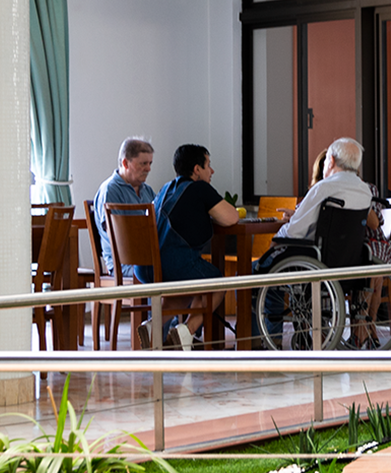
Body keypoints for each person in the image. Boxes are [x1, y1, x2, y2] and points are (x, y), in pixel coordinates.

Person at [141, 143, 239, 347]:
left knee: (186, 287)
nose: (212, 171)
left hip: (146, 266)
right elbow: (231, 217)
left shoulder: (165, 189)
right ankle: (187, 331)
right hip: (174, 264)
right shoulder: (199, 188)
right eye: (208, 165)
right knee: (218, 282)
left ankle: (153, 326)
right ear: (197, 169)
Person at [256, 137, 374, 272]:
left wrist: (277, 239)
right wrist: (298, 214)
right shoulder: (365, 191)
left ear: (331, 161)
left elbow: (294, 231)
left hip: (313, 261)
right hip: (348, 264)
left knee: (255, 268)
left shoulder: (324, 188)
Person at [93, 137, 156, 275]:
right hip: (124, 264)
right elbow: (116, 235)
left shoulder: (147, 190)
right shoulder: (110, 190)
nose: (148, 169)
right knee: (171, 271)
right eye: (143, 163)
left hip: (148, 260)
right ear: (125, 163)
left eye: (150, 163)